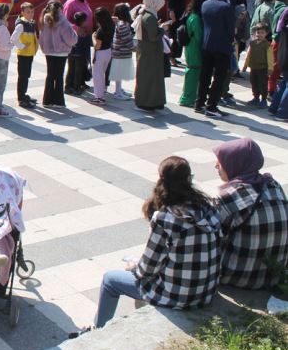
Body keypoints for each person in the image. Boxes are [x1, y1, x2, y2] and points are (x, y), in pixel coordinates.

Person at [89, 156, 221, 330]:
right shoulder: (208, 208)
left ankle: (97, 329)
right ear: (189, 179)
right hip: (206, 291)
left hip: (177, 296)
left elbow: (148, 268)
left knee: (110, 280)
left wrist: (134, 266)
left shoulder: (165, 218)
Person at [214, 138, 288, 289]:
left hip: (236, 275)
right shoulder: (273, 185)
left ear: (234, 165)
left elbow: (214, 237)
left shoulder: (228, 196)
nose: (216, 166)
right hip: (275, 273)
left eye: (220, 163)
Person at [196, 0, 235, 118]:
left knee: (205, 74)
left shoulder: (205, 3)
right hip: (222, 45)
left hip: (207, 44)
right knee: (219, 78)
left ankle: (200, 103)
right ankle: (211, 106)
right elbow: (230, 30)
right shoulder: (226, 7)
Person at [38, 0, 78, 108]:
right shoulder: (63, 21)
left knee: (50, 75)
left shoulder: (44, 19)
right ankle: (59, 101)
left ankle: (47, 100)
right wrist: (75, 35)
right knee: (59, 76)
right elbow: (71, 39)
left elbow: (41, 37)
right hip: (61, 52)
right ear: (60, 8)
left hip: (49, 52)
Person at [133, 0, 167, 112]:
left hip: (146, 51)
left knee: (147, 77)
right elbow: (153, 37)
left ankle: (152, 101)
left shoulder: (145, 14)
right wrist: (162, 29)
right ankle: (148, 102)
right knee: (150, 78)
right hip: (151, 52)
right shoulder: (150, 17)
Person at [0, 3, 20, 117]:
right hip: (1, 57)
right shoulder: (2, 28)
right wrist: (12, 44)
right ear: (6, 14)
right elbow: (4, 45)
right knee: (0, 83)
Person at [178, 0, 207, 107]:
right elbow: (199, 36)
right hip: (195, 47)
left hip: (190, 47)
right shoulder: (196, 18)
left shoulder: (191, 15)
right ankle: (188, 98)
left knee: (192, 71)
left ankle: (189, 96)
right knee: (193, 72)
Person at [166, 0, 191, 66]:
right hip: (175, 8)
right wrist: (171, 10)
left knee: (179, 32)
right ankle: (171, 56)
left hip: (181, 7)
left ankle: (175, 55)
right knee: (173, 32)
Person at [242, 23, 274, 106]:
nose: (259, 34)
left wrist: (270, 68)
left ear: (266, 34)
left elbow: (270, 58)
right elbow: (248, 55)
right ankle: (256, 98)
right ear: (255, 33)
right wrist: (245, 65)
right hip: (253, 67)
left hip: (263, 68)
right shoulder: (252, 43)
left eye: (262, 33)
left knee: (263, 84)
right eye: (258, 32)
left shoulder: (267, 45)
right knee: (254, 83)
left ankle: (263, 99)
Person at [14, 3, 39, 109]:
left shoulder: (30, 23)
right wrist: (22, 46)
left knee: (26, 76)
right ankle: (21, 98)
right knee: (23, 76)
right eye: (28, 12)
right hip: (23, 54)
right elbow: (13, 38)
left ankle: (24, 94)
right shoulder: (21, 24)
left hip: (29, 53)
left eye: (32, 12)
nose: (31, 14)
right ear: (22, 12)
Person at [109, 3, 136, 100]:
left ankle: (119, 89)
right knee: (119, 73)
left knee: (119, 73)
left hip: (119, 52)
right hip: (121, 52)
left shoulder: (120, 23)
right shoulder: (122, 25)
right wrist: (134, 48)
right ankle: (118, 92)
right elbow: (127, 40)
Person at [91, 7, 115, 105]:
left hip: (100, 53)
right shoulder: (111, 26)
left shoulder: (100, 31)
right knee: (102, 74)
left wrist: (93, 37)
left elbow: (97, 45)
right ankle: (101, 95)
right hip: (108, 51)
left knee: (97, 76)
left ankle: (99, 97)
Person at [268, 7, 288, 120]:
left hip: (283, 56)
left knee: (284, 82)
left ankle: (273, 108)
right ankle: (282, 113)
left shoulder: (284, 25)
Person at [65, 11, 91, 95]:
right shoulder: (84, 32)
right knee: (78, 72)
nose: (87, 22)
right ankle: (77, 88)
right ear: (82, 21)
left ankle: (68, 87)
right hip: (80, 55)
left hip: (71, 53)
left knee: (70, 70)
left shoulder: (72, 29)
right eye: (85, 20)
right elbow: (87, 47)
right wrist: (88, 58)